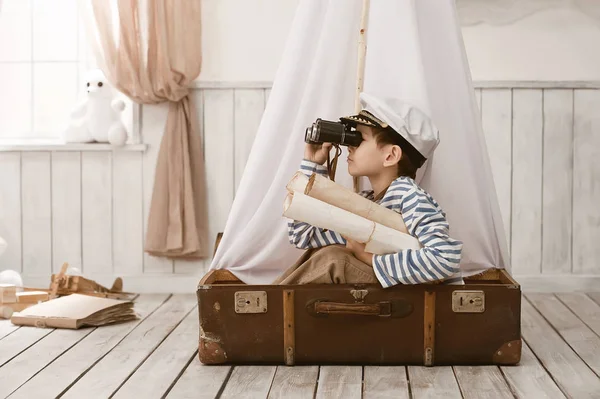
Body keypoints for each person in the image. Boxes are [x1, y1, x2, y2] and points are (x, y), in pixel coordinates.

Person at [273, 92, 464, 287]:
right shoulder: (368, 203)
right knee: (320, 253)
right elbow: (303, 236)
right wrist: (313, 164)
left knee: (334, 259)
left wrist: (370, 259)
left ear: (390, 156)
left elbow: (445, 258)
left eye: (360, 139)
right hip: (386, 298)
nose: (350, 146)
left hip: (414, 300)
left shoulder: (410, 197)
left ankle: (272, 307)